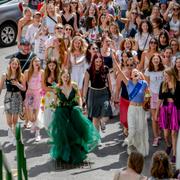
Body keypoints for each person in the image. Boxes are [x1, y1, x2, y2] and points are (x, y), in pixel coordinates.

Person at [48, 69, 100, 164]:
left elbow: (79, 97)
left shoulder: (74, 85)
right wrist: (54, 108)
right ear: (61, 77)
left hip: (73, 109)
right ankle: (65, 152)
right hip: (63, 111)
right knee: (64, 129)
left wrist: (80, 106)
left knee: (76, 124)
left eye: (67, 76)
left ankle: (79, 149)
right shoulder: (58, 88)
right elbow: (55, 101)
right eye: (64, 76)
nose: (66, 78)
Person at [114, 59, 149, 156]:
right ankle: (129, 144)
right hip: (132, 109)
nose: (134, 73)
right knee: (132, 129)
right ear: (131, 76)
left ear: (139, 74)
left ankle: (140, 149)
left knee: (141, 129)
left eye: (136, 72)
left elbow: (148, 94)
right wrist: (114, 58)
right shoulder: (128, 83)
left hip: (141, 109)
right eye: (133, 73)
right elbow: (120, 71)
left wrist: (147, 102)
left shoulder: (143, 83)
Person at [155, 68, 180, 163]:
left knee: (173, 133)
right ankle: (169, 145)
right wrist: (157, 112)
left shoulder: (178, 84)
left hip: (175, 109)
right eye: (164, 76)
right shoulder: (163, 84)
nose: (165, 77)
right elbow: (160, 100)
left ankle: (174, 154)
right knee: (166, 135)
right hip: (165, 109)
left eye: (166, 75)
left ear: (171, 75)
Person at [83, 53, 112, 132]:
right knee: (95, 118)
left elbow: (109, 83)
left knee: (106, 112)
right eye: (97, 61)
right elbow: (85, 85)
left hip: (104, 92)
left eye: (100, 61)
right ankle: (97, 138)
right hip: (93, 93)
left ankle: (102, 122)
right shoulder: (89, 70)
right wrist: (84, 98)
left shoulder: (106, 69)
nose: (99, 63)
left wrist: (111, 94)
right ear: (93, 61)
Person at [0, 58, 25, 145]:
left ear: (18, 66)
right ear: (10, 64)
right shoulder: (5, 75)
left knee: (15, 121)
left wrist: (17, 84)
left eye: (16, 64)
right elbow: (0, 88)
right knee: (9, 122)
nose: (14, 65)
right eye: (13, 64)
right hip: (8, 97)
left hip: (17, 97)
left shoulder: (20, 75)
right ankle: (11, 130)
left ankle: (16, 138)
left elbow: (24, 88)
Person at [144, 54, 164, 147]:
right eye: (154, 59)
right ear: (151, 61)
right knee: (154, 118)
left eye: (157, 59)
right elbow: (146, 85)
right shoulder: (148, 71)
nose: (156, 60)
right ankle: (156, 137)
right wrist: (147, 97)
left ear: (160, 60)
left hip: (162, 96)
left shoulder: (164, 70)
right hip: (153, 96)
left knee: (161, 116)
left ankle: (161, 132)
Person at [24, 56, 44, 142]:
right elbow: (24, 86)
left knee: (37, 115)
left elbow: (43, 85)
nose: (37, 63)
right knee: (31, 117)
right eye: (35, 61)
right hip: (30, 94)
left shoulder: (42, 72)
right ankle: (33, 123)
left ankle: (37, 133)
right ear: (32, 62)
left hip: (38, 94)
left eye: (38, 61)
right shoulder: (27, 72)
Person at [38, 58, 60, 130]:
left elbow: (61, 84)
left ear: (56, 65)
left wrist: (56, 89)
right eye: (50, 65)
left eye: (53, 65)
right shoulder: (45, 73)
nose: (52, 67)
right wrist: (52, 90)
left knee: (56, 112)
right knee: (48, 112)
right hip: (48, 96)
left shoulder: (59, 73)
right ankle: (50, 129)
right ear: (47, 66)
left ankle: (56, 128)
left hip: (57, 96)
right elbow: (43, 86)